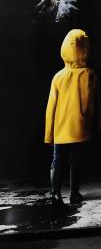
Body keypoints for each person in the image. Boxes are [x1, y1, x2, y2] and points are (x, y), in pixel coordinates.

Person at [45, 29, 99, 205]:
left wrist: (49, 134)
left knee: (57, 160)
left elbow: (50, 108)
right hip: (80, 129)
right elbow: (92, 104)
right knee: (76, 162)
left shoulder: (58, 77)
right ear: (85, 49)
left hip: (60, 130)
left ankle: (55, 194)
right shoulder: (89, 75)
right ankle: (74, 194)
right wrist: (92, 125)